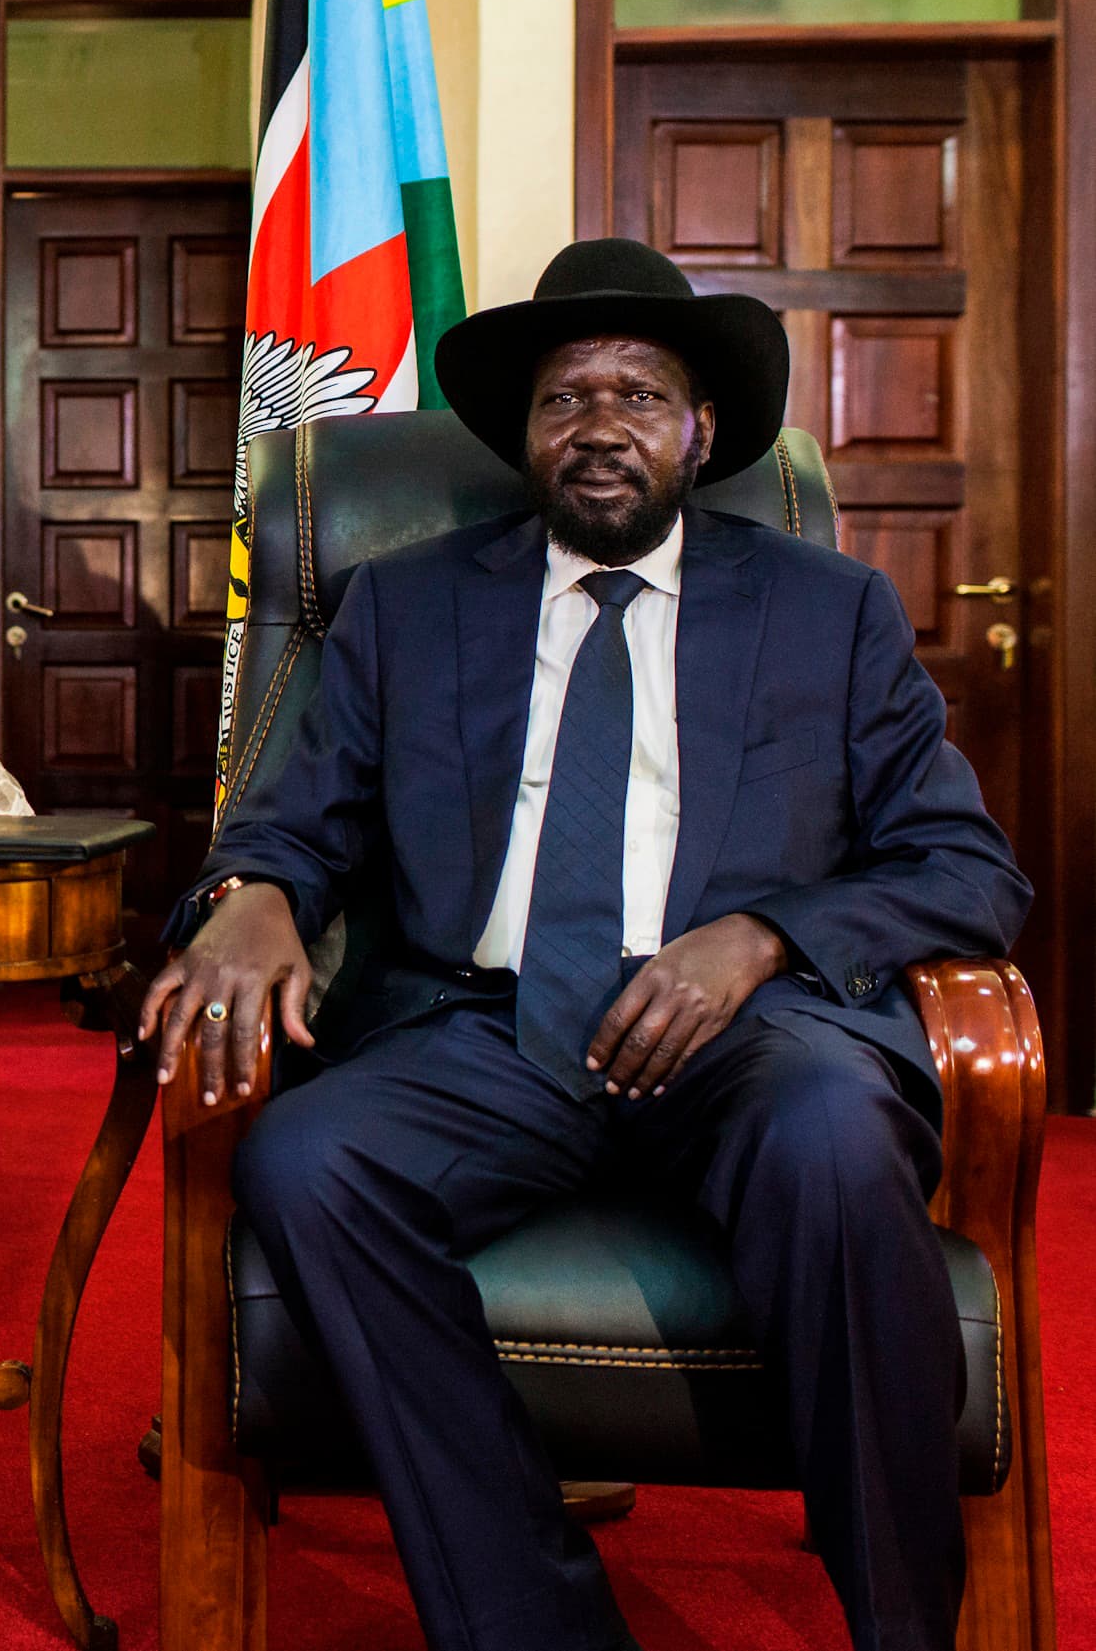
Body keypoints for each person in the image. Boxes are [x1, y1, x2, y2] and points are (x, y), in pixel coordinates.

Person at [141, 238, 1029, 1651]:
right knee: (308, 1162)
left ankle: (906, 1630)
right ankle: (538, 1624)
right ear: (526, 436)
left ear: (702, 432)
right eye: (565, 398)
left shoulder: (826, 609)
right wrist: (251, 886)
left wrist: (756, 937)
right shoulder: (408, 604)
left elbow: (969, 867)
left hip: (751, 1043)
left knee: (839, 1147)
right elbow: (294, 822)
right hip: (485, 1034)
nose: (599, 423)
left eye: (636, 393)